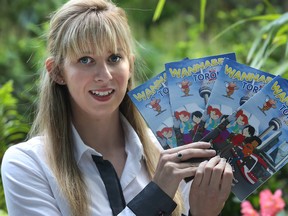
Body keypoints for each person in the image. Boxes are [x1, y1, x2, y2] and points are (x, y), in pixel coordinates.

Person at [1, 0, 233, 215]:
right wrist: (156, 196)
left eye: (114, 58)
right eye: (85, 60)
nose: (104, 75)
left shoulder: (167, 150)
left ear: (130, 65)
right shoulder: (27, 164)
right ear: (57, 72)